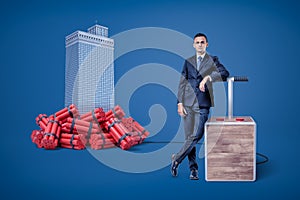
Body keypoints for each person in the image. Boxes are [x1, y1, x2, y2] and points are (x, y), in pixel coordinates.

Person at [171, 33, 229, 180]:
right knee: (189, 138)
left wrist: (209, 77)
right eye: (197, 42)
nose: (200, 44)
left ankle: (177, 159)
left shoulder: (212, 60)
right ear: (194, 45)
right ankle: (193, 170)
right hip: (187, 104)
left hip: (203, 104)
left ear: (207, 44)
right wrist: (179, 102)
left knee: (196, 136)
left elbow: (225, 73)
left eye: (202, 42)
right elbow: (182, 83)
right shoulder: (188, 61)